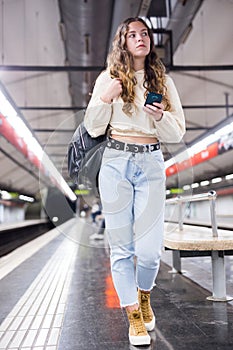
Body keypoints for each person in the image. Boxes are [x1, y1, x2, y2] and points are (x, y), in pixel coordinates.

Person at [84, 17, 185, 346]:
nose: (140, 38)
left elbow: (177, 132)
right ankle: (134, 319)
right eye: (133, 34)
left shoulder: (163, 81)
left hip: (150, 163)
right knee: (123, 249)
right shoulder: (108, 78)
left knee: (151, 251)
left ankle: (144, 298)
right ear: (123, 41)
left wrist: (160, 117)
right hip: (115, 162)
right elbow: (93, 127)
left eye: (145, 33)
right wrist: (105, 98)